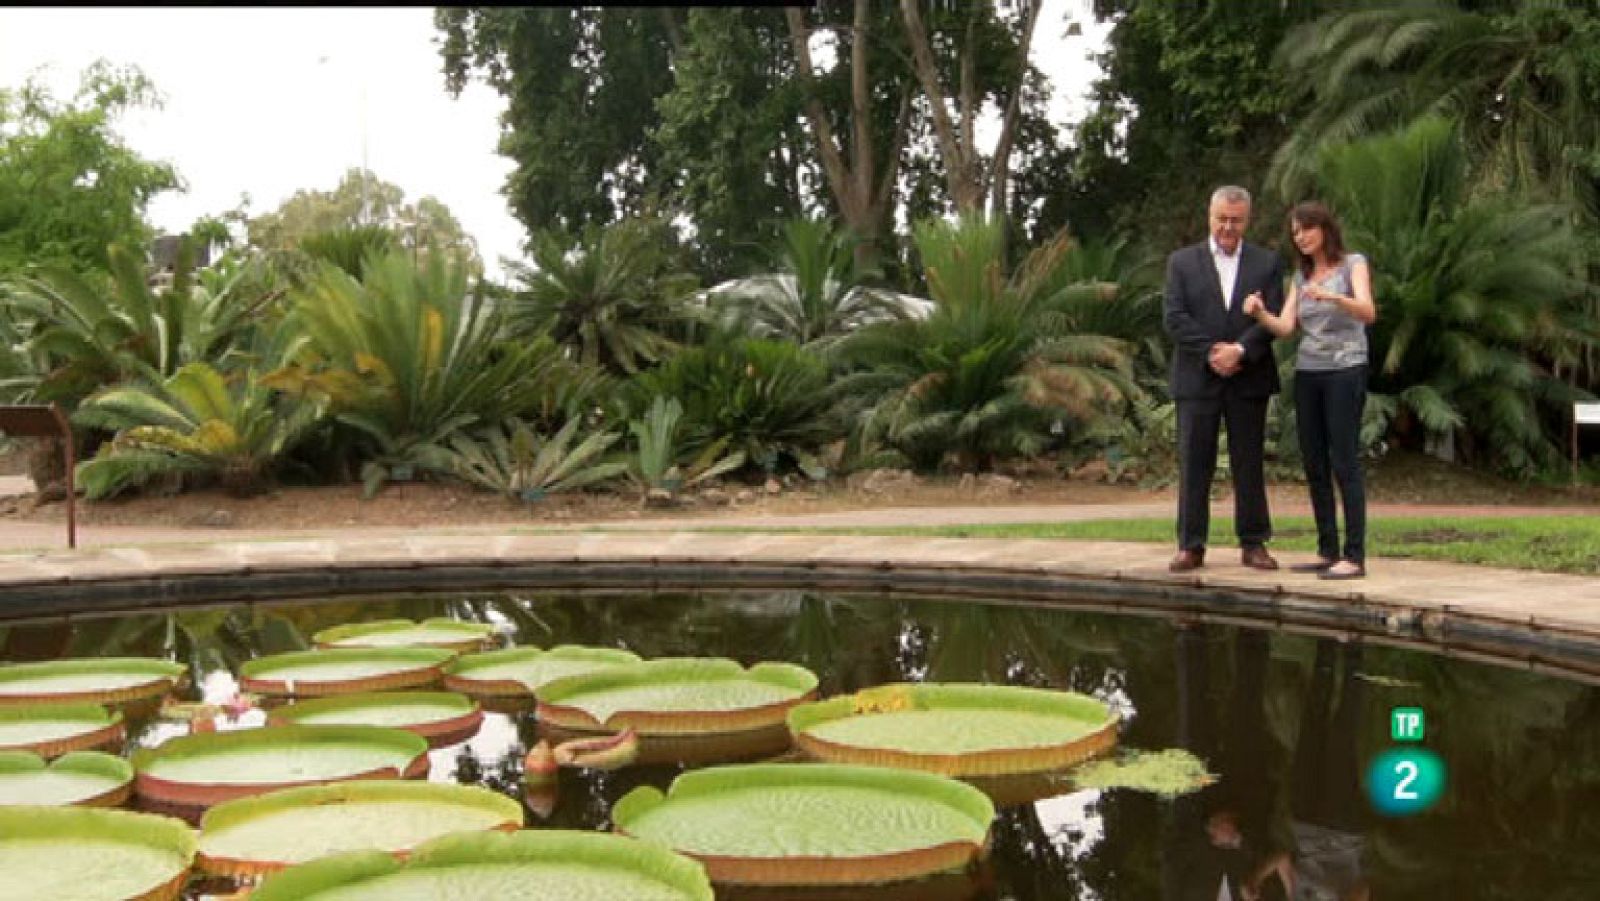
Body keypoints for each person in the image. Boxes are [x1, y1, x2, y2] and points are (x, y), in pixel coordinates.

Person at [1243, 202, 1376, 580]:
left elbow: (1368, 312)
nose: (1300, 237)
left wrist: (1335, 298)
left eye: (1306, 229)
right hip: (1309, 373)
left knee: (1344, 461)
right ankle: (1327, 550)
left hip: (1346, 369)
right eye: (1295, 232)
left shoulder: (1353, 264)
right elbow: (1286, 327)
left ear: (1324, 228)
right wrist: (1258, 313)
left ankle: (1354, 555)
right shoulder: (1300, 279)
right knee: (1314, 462)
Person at [1163, 186, 1286, 573]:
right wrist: (1215, 351)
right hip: (1197, 376)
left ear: (1247, 220)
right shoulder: (1181, 262)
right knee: (1194, 462)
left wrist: (1241, 351)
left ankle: (1254, 543)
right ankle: (1190, 545)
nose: (1227, 227)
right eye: (1222, 219)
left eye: (1235, 220)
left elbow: (1275, 317)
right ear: (1210, 216)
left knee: (1248, 463)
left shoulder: (1266, 263)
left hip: (1249, 377)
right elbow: (1175, 317)